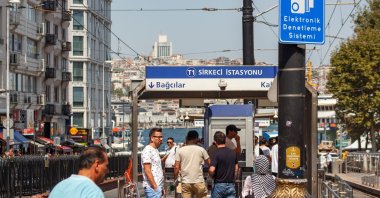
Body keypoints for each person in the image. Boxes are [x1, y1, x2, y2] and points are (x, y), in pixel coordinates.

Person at [174, 130, 210, 198]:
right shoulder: (201, 149)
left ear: (187, 138)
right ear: (196, 138)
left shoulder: (180, 150)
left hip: (186, 182)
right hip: (198, 181)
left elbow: (176, 167)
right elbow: (209, 163)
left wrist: (175, 178)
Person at [209, 131, 238, 198]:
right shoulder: (232, 153)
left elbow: (211, 170)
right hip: (231, 184)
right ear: (225, 140)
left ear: (215, 142)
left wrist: (212, 176)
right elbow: (236, 168)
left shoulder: (215, 153)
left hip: (219, 185)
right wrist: (233, 177)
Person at [141, 127, 165, 198]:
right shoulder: (147, 150)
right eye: (159, 137)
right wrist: (155, 187)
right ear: (152, 138)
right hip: (152, 188)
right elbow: (147, 170)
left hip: (158, 187)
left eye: (162, 137)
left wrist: (161, 188)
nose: (161, 139)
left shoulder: (155, 150)